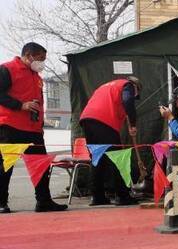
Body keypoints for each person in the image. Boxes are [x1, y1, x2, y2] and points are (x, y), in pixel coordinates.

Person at [0, 42, 68, 213]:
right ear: (29, 55)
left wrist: (40, 124)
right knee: (5, 166)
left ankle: (43, 201)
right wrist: (20, 105)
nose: (42, 63)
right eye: (40, 59)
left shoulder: (36, 77)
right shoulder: (7, 69)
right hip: (10, 125)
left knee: (41, 165)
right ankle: (1, 202)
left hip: (33, 129)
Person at [79, 77, 141, 206]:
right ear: (135, 87)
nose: (134, 97)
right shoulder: (127, 85)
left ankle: (97, 196)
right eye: (136, 95)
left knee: (97, 159)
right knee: (117, 158)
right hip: (105, 122)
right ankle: (122, 196)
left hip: (87, 120)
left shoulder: (106, 86)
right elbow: (128, 101)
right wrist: (133, 124)